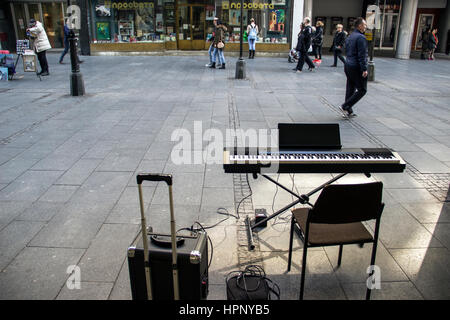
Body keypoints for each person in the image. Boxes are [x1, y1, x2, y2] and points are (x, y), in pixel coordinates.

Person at [339, 17, 368, 118]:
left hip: (348, 65)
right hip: (356, 66)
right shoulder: (361, 38)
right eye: (364, 25)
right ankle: (345, 106)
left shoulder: (350, 36)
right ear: (359, 26)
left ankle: (348, 110)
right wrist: (364, 69)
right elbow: (362, 55)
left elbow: (346, 50)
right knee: (362, 89)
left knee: (350, 88)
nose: (366, 27)